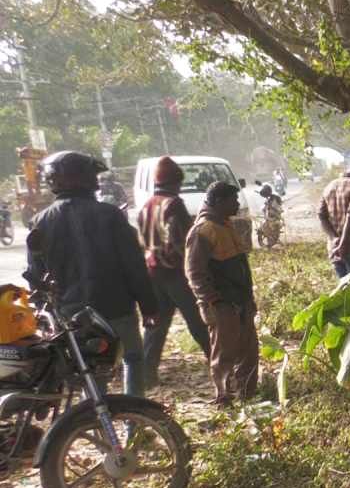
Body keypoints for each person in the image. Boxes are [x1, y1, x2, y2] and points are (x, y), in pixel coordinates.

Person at [25, 151, 157, 397]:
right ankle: (134, 425)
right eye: (92, 176)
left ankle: (96, 424)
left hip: (73, 316)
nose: (97, 182)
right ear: (80, 178)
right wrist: (149, 306)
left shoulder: (39, 222)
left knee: (91, 371)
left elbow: (36, 277)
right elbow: (134, 266)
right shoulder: (111, 215)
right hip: (118, 309)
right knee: (133, 360)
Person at [137, 156, 212, 390]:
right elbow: (182, 242)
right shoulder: (173, 204)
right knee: (198, 322)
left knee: (156, 326)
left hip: (152, 273)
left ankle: (146, 375)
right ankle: (220, 364)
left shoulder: (147, 205)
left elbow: (142, 241)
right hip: (176, 274)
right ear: (175, 182)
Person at [186, 181, 258, 405]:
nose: (237, 204)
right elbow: (194, 271)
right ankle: (224, 398)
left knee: (248, 350)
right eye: (233, 200)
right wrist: (211, 299)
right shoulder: (203, 230)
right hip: (223, 304)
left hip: (240, 301)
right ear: (218, 202)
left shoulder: (225, 225)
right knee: (224, 354)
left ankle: (247, 396)